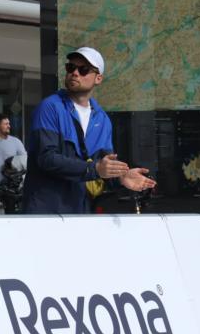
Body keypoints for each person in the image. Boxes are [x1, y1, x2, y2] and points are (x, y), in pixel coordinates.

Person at [23, 47, 156, 214]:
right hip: (45, 210)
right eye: (71, 67)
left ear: (98, 78)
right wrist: (95, 169)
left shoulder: (102, 120)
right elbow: (46, 159)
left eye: (83, 69)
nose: (75, 73)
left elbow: (103, 166)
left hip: (80, 211)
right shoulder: (49, 107)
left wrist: (121, 177)